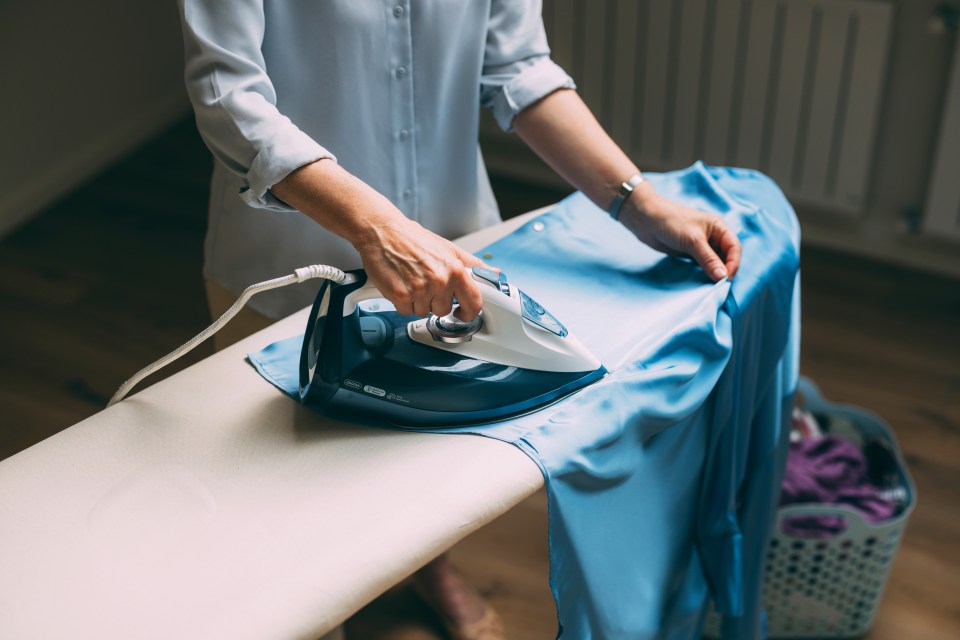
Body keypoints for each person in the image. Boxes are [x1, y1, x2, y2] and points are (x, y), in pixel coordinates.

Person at [178, 1, 741, 638]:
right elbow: (229, 94)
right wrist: (377, 227)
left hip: (455, 240)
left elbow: (520, 68)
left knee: (423, 458)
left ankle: (430, 569)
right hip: (287, 256)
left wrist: (640, 206)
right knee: (287, 485)